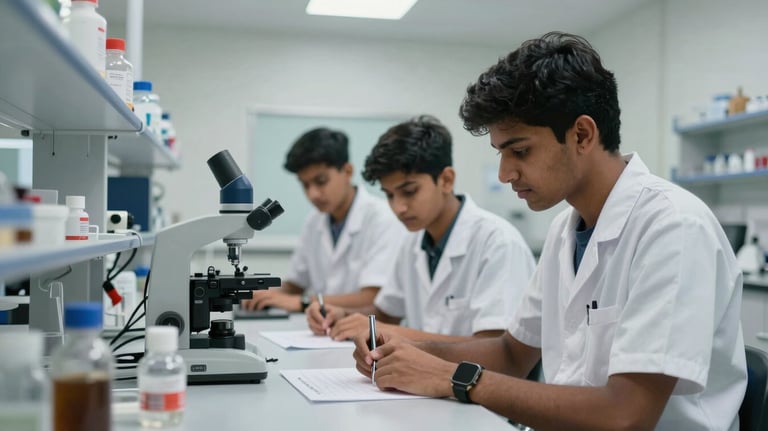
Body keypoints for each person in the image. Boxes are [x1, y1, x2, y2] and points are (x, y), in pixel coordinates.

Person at [352, 32, 747, 430]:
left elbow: (625, 415)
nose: (505, 173)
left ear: (582, 135)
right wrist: (410, 352)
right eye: (501, 153)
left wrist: (453, 378)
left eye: (520, 151)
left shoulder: (672, 227)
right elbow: (511, 352)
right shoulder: (566, 228)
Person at [306, 115, 535, 342]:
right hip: (419, 376)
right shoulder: (413, 241)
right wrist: (344, 315)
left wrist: (388, 332)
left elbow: (494, 350)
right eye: (389, 195)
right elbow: (387, 313)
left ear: (446, 180)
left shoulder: (497, 243)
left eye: (409, 191)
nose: (399, 207)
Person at [241, 127, 405, 312]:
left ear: (347, 171)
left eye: (321, 181)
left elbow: (373, 297)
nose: (313, 194)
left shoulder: (383, 218)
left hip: (364, 332)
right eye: (305, 185)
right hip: (322, 328)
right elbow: (295, 284)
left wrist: (303, 302)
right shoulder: (314, 221)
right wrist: (266, 295)